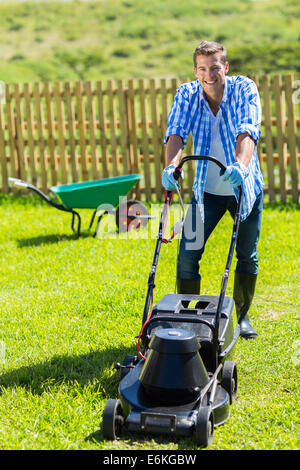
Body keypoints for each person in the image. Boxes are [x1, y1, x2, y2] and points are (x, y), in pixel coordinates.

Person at [162, 40, 264, 339]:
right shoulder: (187, 94)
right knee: (187, 254)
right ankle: (188, 313)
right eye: (203, 69)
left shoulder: (244, 89)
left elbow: (248, 129)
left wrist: (241, 166)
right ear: (195, 71)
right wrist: (171, 166)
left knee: (246, 254)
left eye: (215, 68)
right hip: (204, 191)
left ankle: (242, 318)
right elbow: (176, 132)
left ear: (225, 67)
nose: (209, 75)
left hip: (243, 187)